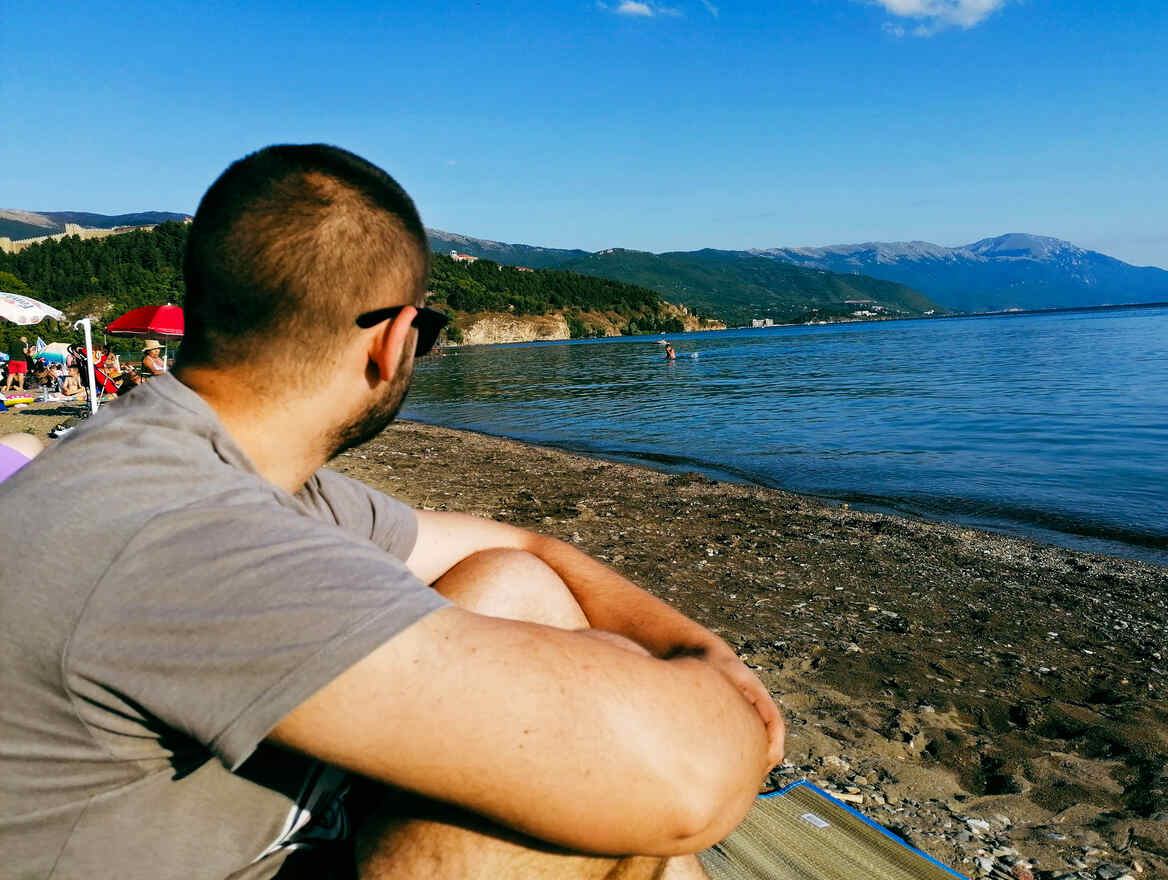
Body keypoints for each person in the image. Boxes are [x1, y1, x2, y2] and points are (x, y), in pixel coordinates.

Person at [0, 144, 782, 880]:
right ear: (396, 342)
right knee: (614, 815)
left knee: (513, 583)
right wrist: (709, 705)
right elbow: (689, 789)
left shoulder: (225, 472)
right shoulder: (176, 530)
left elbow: (524, 544)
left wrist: (697, 648)